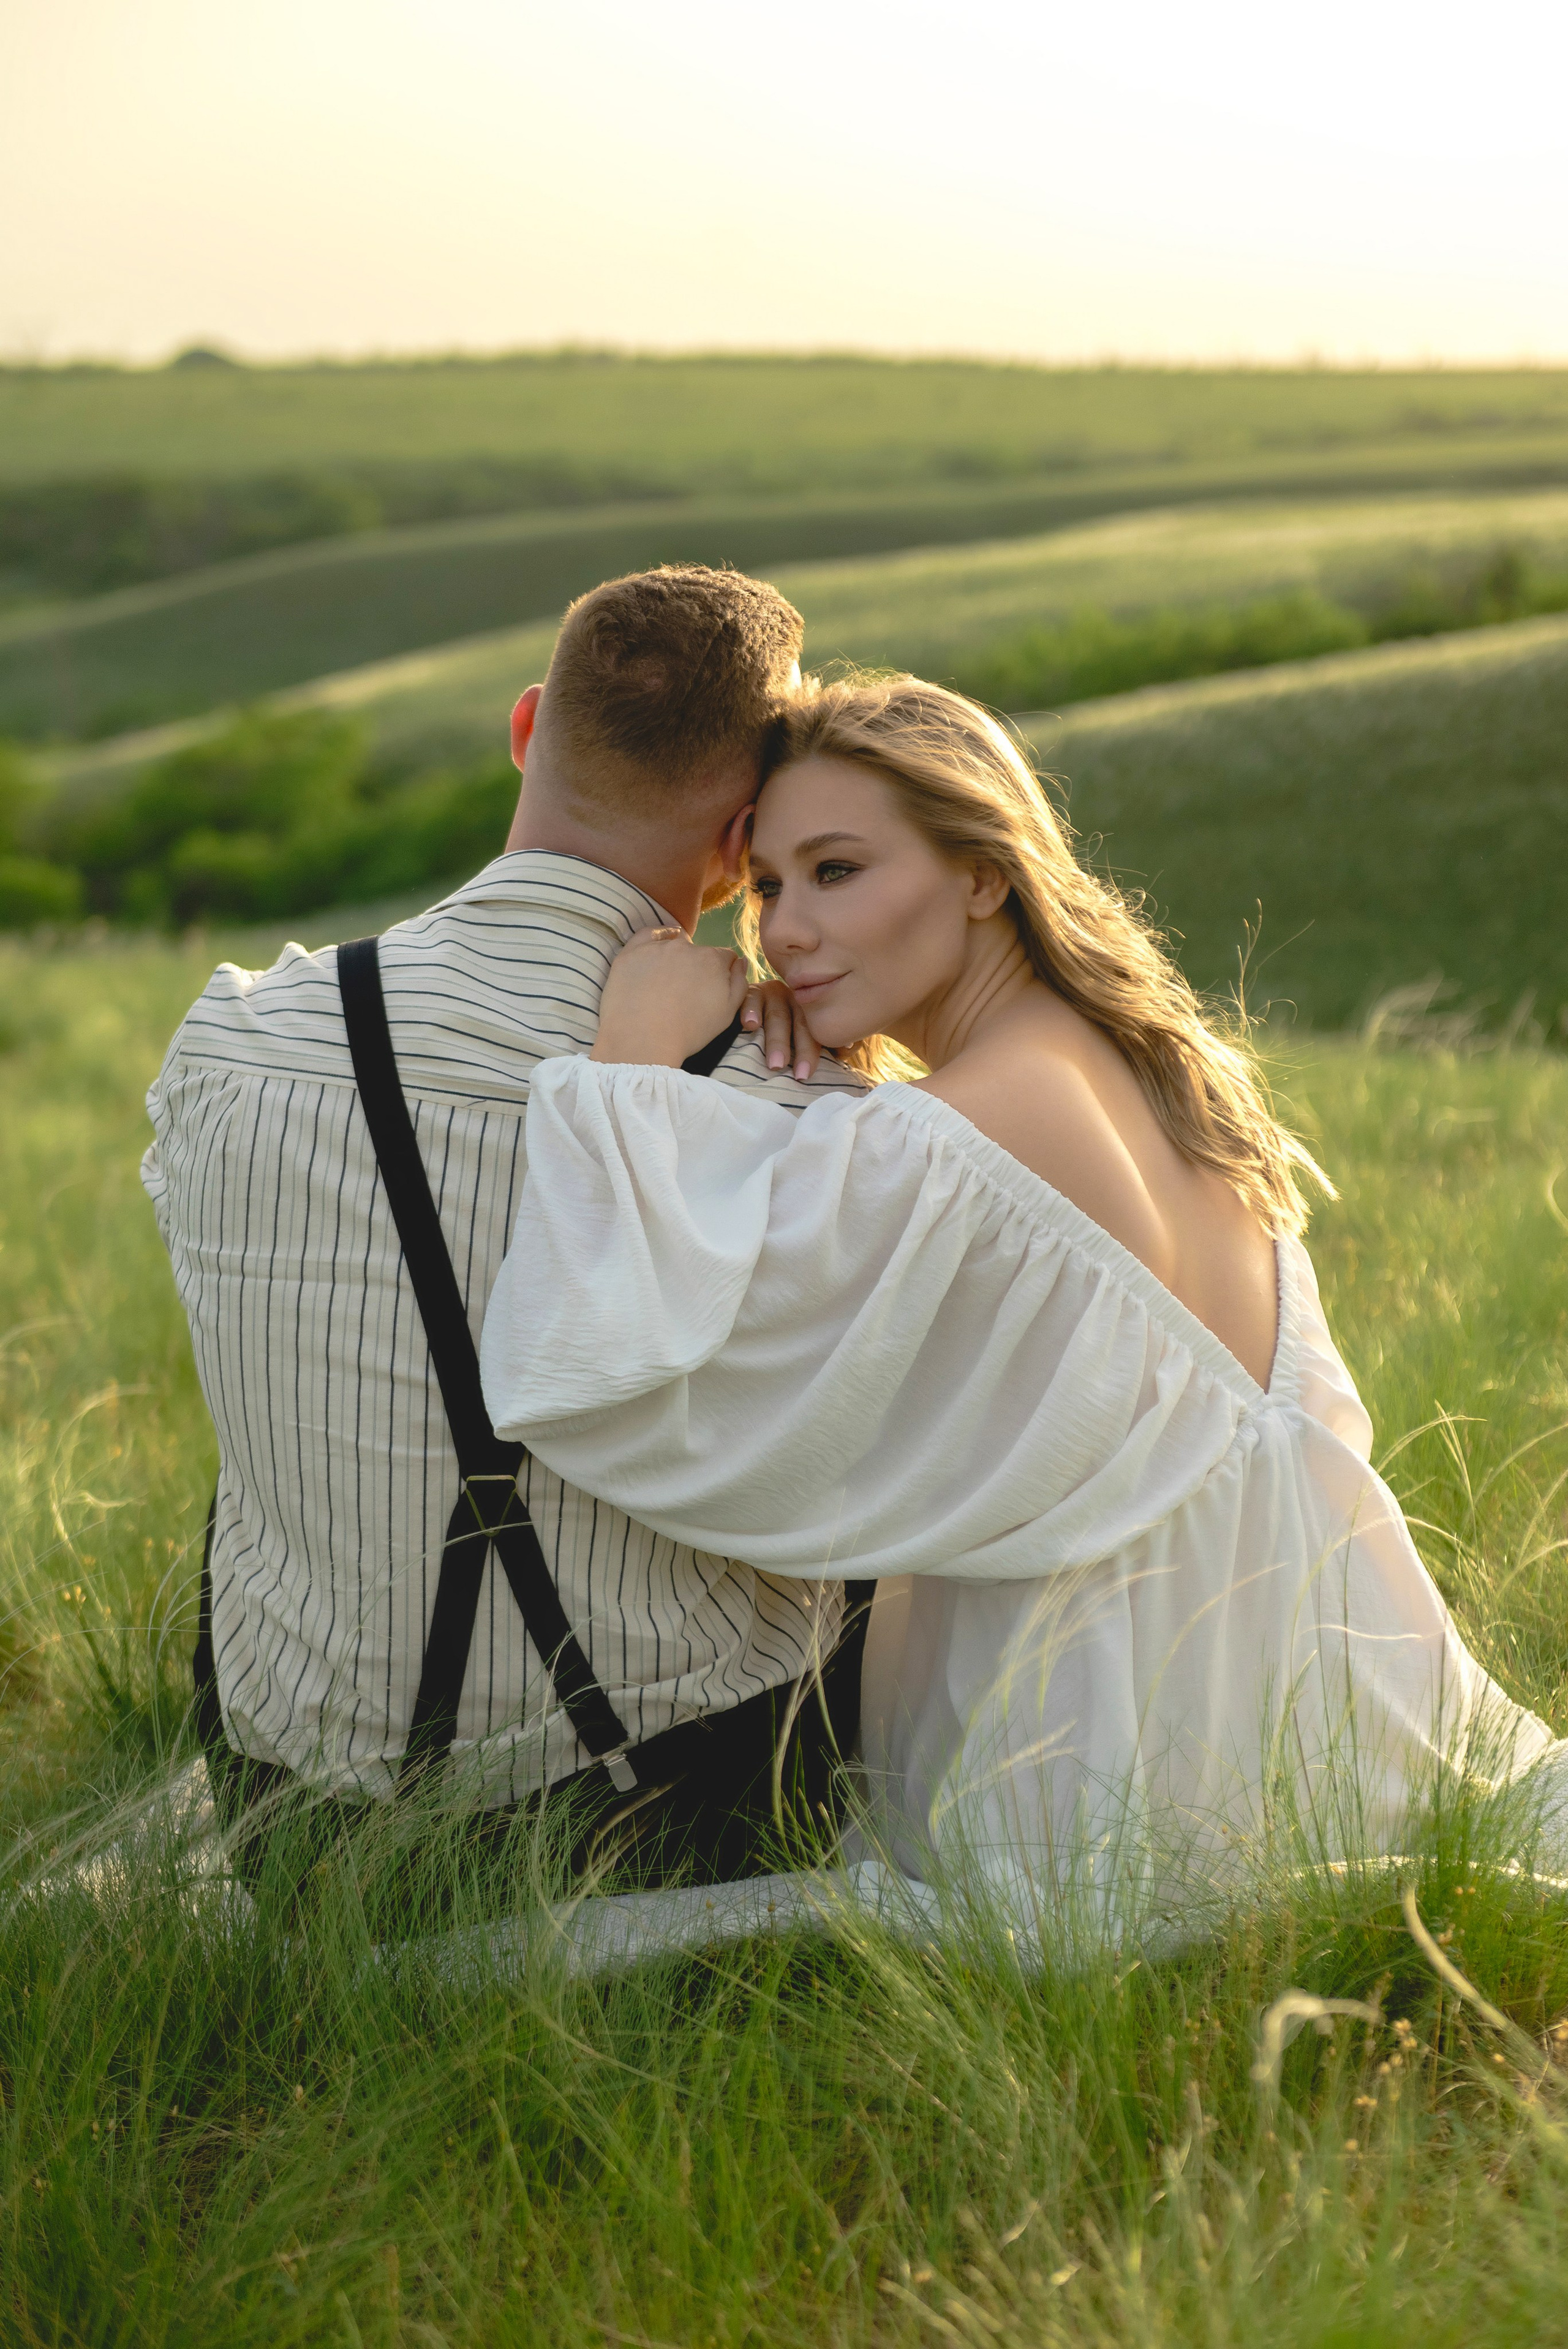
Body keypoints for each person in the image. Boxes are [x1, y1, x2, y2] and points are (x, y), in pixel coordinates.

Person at [480, 671, 1566, 1928]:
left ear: (984, 875)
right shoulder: (1162, 1073)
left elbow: (635, 1375)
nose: (784, 932)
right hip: (1323, 1703)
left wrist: (630, 1065)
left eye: (838, 871)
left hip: (1120, 1755)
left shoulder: (956, 1135)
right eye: (768, 885)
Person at [143, 566, 867, 1887]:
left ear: (528, 727)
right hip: (667, 1810)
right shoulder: (797, 1101)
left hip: (286, 1814)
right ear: (743, 834)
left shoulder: (236, 1036)